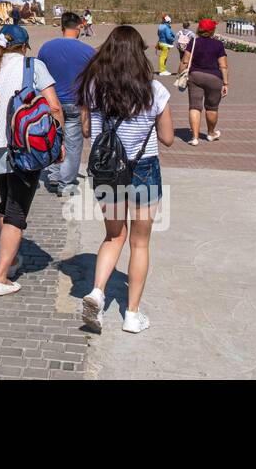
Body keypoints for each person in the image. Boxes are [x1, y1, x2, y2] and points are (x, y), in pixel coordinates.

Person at [78, 26, 174, 335]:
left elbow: (86, 132)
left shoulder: (94, 88)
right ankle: (132, 315)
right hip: (144, 169)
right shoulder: (154, 90)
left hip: (108, 171)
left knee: (113, 236)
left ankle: (97, 291)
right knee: (140, 242)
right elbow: (168, 138)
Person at [0, 25, 63, 296]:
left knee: (7, 204)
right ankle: (0, 278)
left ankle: (12, 260)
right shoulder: (32, 66)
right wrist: (58, 141)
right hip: (24, 149)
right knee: (17, 212)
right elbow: (53, 106)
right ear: (24, 46)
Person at [37, 11, 95, 196]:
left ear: (62, 27)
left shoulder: (46, 48)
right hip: (75, 103)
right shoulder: (88, 51)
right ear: (79, 27)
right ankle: (66, 183)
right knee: (73, 145)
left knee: (53, 138)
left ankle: (53, 176)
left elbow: (39, 74)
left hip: (51, 102)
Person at [180, 18, 228, 145]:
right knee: (212, 107)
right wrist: (226, 83)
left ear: (199, 29)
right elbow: (223, 66)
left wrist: (180, 74)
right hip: (214, 78)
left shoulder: (193, 42)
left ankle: (195, 137)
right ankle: (211, 133)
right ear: (212, 30)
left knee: (195, 106)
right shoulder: (218, 45)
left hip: (195, 76)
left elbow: (185, 61)